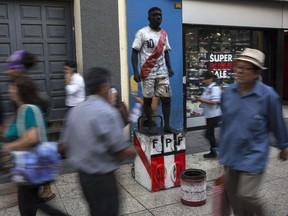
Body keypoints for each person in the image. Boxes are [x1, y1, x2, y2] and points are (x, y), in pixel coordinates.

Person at [219, 48, 288, 216]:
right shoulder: (228, 93)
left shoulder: (268, 96)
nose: (239, 71)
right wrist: (220, 153)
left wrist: (284, 145)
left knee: (247, 195)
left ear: (257, 72)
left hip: (253, 154)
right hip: (230, 155)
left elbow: (277, 123)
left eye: (246, 68)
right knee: (235, 200)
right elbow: (225, 124)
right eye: (238, 66)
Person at [62, 67, 136, 216]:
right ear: (103, 87)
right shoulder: (107, 112)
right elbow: (119, 152)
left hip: (83, 178)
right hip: (103, 180)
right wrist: (133, 151)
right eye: (110, 86)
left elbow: (64, 147)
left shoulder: (75, 111)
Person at [0, 76, 67, 216]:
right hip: (28, 168)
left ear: (20, 90)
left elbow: (32, 137)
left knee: (31, 205)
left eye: (13, 87)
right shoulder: (24, 110)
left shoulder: (27, 109)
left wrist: (9, 147)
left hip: (29, 167)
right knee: (31, 204)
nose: (10, 90)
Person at [4, 50, 56, 202]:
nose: (8, 70)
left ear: (17, 68)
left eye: (11, 67)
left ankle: (37, 189)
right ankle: (34, 189)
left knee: (37, 154)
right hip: (30, 123)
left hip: (33, 124)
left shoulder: (23, 84)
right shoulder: (19, 82)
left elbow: (30, 108)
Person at [131, 7, 175, 134]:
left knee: (167, 99)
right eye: (155, 15)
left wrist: (170, 67)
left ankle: (167, 125)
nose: (158, 17)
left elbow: (166, 52)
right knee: (148, 100)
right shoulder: (142, 33)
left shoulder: (164, 34)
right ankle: (150, 125)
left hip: (162, 73)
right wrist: (135, 71)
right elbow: (134, 52)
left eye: (160, 15)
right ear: (149, 17)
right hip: (147, 73)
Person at [195, 72, 222, 158]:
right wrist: (199, 99)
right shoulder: (208, 88)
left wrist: (201, 100)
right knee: (210, 134)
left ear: (211, 79)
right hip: (209, 115)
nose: (204, 80)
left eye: (206, 79)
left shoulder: (215, 88)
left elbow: (214, 102)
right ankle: (214, 150)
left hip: (214, 115)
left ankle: (216, 150)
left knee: (208, 134)